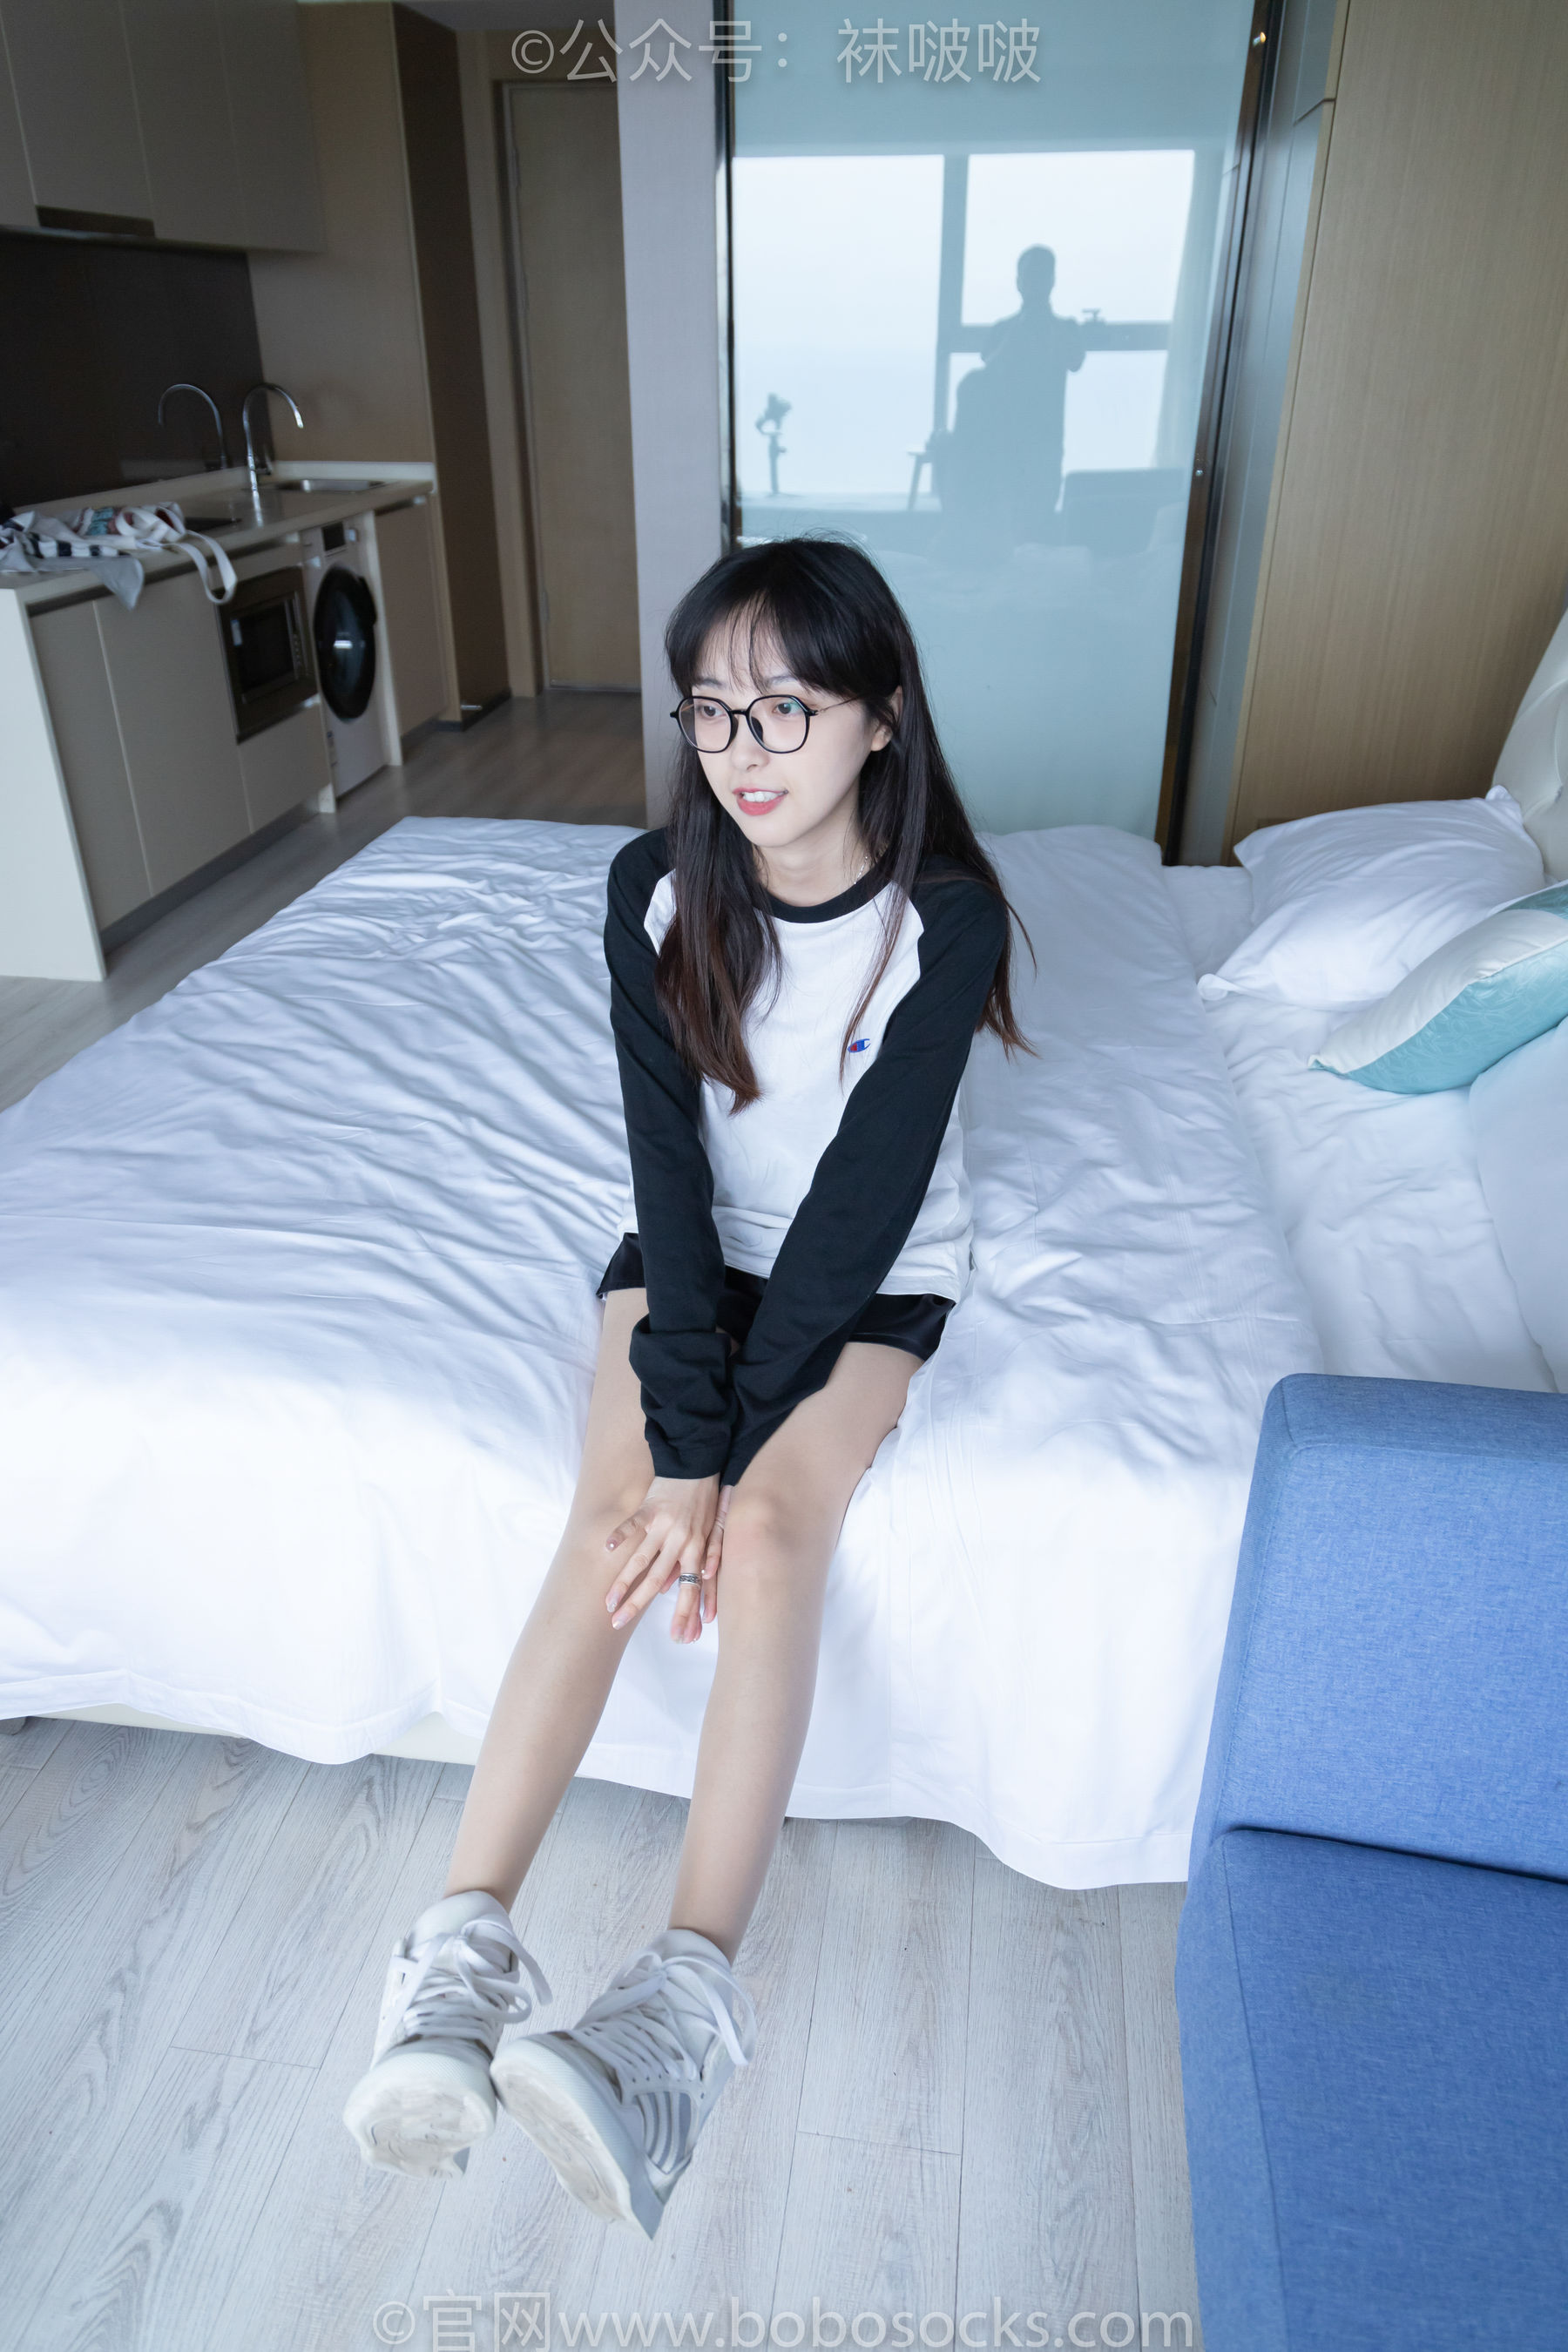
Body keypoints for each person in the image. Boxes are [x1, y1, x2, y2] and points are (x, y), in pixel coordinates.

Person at [341, 535, 1029, 2238]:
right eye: (711, 710)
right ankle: (457, 1961)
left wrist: (719, 1460)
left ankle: (679, 2026)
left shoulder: (946, 920)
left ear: (881, 715)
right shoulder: (654, 882)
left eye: (785, 709)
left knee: (773, 1536)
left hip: (876, 1271)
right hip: (691, 1244)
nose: (741, 749)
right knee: (613, 1515)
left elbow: (862, 1206)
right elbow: (667, 1167)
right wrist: (677, 1439)